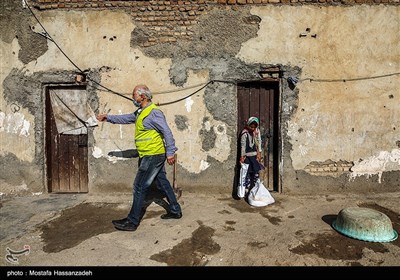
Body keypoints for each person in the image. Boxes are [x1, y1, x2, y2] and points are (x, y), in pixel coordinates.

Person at [96, 84, 182, 231]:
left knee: (139, 186)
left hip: (153, 155)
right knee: (163, 183)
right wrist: (108, 118)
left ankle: (132, 221)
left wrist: (170, 152)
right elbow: (127, 118)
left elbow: (167, 132)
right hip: (150, 154)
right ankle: (175, 210)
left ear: (142, 96)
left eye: (134, 95)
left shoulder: (153, 113)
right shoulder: (141, 112)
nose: (132, 98)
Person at [239, 116, 263, 194]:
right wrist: (242, 157)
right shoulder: (244, 133)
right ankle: (246, 191)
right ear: (248, 125)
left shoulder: (257, 132)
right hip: (247, 156)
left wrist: (259, 153)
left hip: (255, 156)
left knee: (256, 173)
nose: (252, 129)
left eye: (254, 127)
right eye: (251, 126)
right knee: (247, 174)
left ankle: (256, 190)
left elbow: (259, 142)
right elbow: (243, 146)